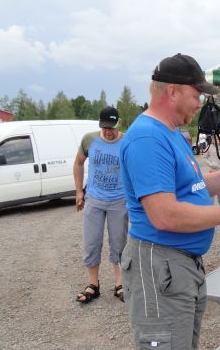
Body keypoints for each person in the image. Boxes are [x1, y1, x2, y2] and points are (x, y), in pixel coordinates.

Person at [119, 53, 220, 349]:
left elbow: (195, 189)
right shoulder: (147, 139)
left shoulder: (172, 134)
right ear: (172, 92)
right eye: (196, 94)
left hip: (178, 266)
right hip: (159, 264)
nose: (200, 103)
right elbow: (164, 215)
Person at [73, 107, 129, 304]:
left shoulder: (127, 142)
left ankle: (120, 284)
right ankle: (93, 285)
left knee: (119, 243)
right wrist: (80, 191)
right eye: (105, 127)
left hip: (119, 200)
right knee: (91, 243)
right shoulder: (89, 140)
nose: (108, 131)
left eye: (112, 127)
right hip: (94, 200)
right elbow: (78, 163)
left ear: (118, 124)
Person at [202, 135, 220, 204]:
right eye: (215, 139)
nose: (217, 140)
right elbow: (204, 157)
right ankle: (211, 206)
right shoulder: (209, 147)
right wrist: (211, 164)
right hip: (213, 170)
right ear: (213, 140)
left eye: (218, 139)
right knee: (213, 189)